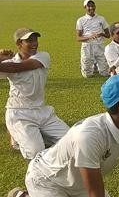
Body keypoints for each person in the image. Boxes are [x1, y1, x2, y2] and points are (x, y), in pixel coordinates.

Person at [0, 29, 69, 160]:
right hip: (19, 114)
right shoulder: (9, 63)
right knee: (36, 152)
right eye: (29, 41)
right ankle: (19, 136)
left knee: (71, 140)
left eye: (35, 39)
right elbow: (10, 67)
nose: (34, 44)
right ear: (19, 43)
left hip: (42, 112)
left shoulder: (42, 56)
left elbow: (16, 68)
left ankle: (24, 135)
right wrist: (2, 58)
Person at [75, 0, 110, 78]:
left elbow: (108, 35)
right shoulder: (81, 20)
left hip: (99, 45)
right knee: (87, 75)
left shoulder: (101, 19)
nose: (91, 8)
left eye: (93, 6)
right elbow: (78, 38)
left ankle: (95, 65)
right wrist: (89, 37)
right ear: (85, 7)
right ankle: (86, 64)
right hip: (87, 46)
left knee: (105, 73)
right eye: (89, 6)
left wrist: (101, 34)